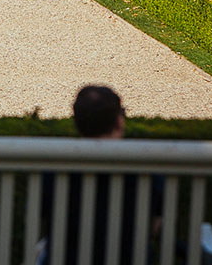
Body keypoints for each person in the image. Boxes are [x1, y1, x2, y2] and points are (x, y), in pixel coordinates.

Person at [38, 86, 164, 265]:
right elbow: (154, 226)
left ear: (77, 123)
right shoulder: (147, 169)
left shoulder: (56, 169)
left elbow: (43, 219)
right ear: (119, 122)